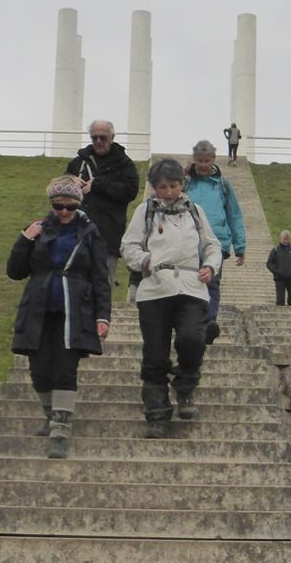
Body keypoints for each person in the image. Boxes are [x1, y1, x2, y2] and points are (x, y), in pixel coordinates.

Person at [6, 175, 111, 459]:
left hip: (74, 310)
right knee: (39, 370)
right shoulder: (37, 229)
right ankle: (51, 415)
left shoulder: (89, 233)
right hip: (38, 307)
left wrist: (103, 316)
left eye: (69, 206)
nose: (63, 211)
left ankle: (61, 429)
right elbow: (15, 271)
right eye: (58, 206)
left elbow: (101, 277)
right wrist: (24, 239)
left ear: (78, 205)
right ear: (51, 204)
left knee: (65, 368)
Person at [121, 157, 223, 438]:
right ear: (154, 187)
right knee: (155, 353)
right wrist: (146, 261)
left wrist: (210, 266)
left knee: (192, 338)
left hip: (191, 287)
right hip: (155, 290)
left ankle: (185, 385)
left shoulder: (195, 211)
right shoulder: (146, 211)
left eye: (173, 186)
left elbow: (212, 244)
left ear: (182, 184)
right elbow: (128, 246)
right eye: (162, 187)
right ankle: (156, 412)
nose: (168, 192)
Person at [184, 139, 246, 344]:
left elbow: (234, 214)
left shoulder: (223, 184)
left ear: (213, 160)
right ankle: (194, 323)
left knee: (212, 282)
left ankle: (209, 322)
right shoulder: (186, 182)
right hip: (189, 240)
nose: (203, 165)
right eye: (199, 160)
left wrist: (240, 246)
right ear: (194, 160)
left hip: (217, 241)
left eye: (207, 160)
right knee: (192, 283)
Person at [66, 120, 140, 286]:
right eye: (95, 138)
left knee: (102, 290)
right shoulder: (78, 163)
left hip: (107, 238)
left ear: (112, 137)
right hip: (76, 236)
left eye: (103, 137)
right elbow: (59, 191)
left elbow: (131, 191)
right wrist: (70, 182)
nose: (98, 141)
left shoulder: (124, 163)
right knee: (74, 286)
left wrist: (98, 185)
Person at [266, 230, 291, 306]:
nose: (286, 241)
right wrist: (277, 271)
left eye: (287, 239)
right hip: (280, 279)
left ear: (290, 239)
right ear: (280, 238)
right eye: (284, 239)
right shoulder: (275, 250)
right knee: (280, 301)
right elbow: (269, 263)